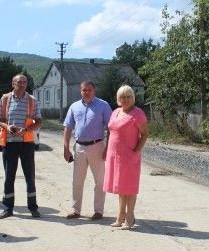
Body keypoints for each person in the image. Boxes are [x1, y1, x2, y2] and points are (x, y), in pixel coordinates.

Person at [63, 81, 112, 220]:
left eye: (89, 90)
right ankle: (75, 209)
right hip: (79, 147)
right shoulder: (74, 106)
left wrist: (108, 147)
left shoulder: (103, 105)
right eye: (84, 90)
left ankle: (98, 211)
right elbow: (67, 128)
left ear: (94, 90)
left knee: (100, 181)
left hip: (97, 146)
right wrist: (66, 148)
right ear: (81, 91)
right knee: (77, 181)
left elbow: (111, 128)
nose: (87, 92)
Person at [0, 74, 42, 219]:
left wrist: (26, 130)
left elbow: (39, 122)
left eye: (24, 82)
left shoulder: (31, 100)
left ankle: (33, 207)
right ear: (13, 83)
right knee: (9, 177)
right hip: (9, 144)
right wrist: (7, 127)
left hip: (27, 143)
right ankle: (8, 208)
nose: (22, 84)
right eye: (19, 82)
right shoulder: (5, 98)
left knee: (30, 176)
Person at [103, 85, 149, 230]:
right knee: (120, 187)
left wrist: (137, 151)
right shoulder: (115, 112)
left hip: (129, 156)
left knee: (129, 188)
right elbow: (110, 131)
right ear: (119, 99)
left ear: (133, 98)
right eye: (123, 97)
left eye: (129, 96)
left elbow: (145, 134)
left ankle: (129, 218)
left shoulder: (138, 113)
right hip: (114, 155)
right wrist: (106, 149)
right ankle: (120, 216)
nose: (126, 99)